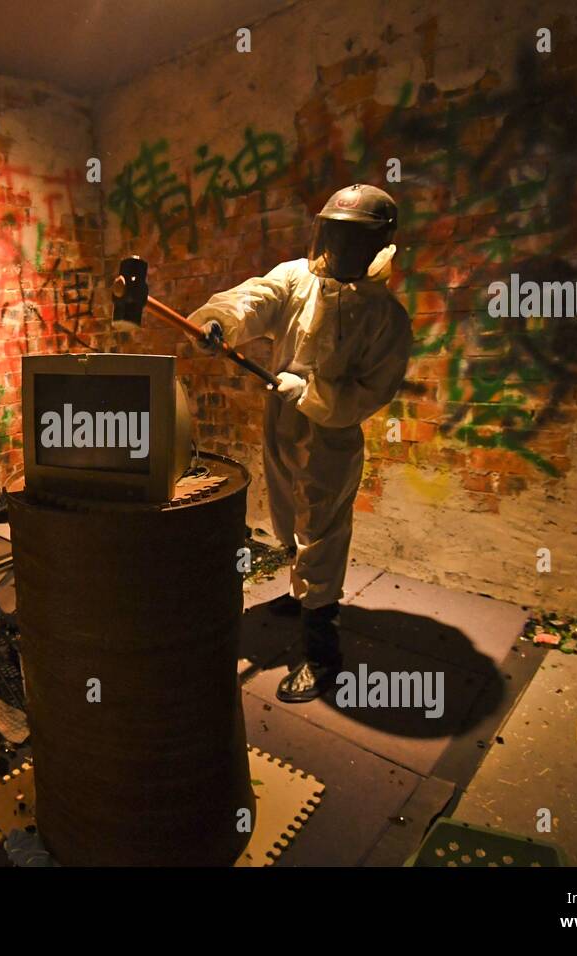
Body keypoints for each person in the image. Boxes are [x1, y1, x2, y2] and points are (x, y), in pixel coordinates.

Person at [188, 184, 413, 702]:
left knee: (322, 531)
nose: (337, 247)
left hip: (329, 434)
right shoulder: (296, 278)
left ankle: (322, 652)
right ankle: (304, 595)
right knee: (287, 516)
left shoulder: (385, 317)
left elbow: (369, 393)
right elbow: (254, 299)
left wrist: (309, 391)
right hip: (282, 419)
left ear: (377, 245)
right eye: (332, 233)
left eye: (351, 238)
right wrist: (220, 321)